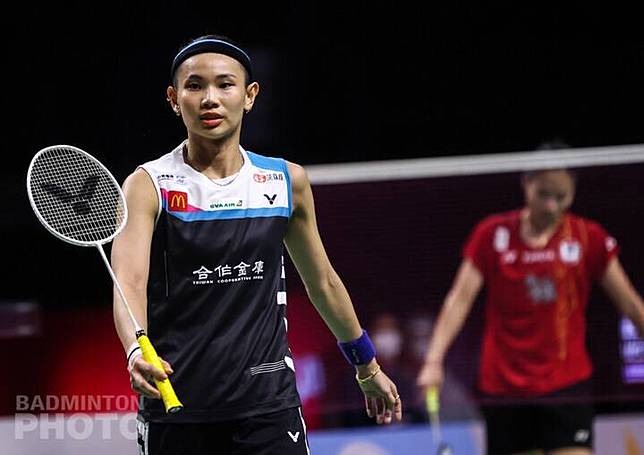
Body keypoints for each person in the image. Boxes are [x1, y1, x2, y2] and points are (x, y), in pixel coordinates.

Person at [111, 34, 402, 455]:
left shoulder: (285, 181)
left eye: (225, 84)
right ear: (174, 100)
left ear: (249, 96)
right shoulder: (148, 184)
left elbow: (322, 281)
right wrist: (135, 351)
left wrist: (366, 363)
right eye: (195, 86)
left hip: (268, 405)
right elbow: (129, 283)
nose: (210, 98)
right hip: (176, 401)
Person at [417, 166, 644, 455]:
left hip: (566, 383)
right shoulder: (492, 234)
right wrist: (433, 360)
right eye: (543, 194)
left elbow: (630, 304)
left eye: (561, 197)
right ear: (526, 184)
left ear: (573, 192)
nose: (551, 206)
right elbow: (459, 300)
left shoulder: (588, 236)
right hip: (504, 387)